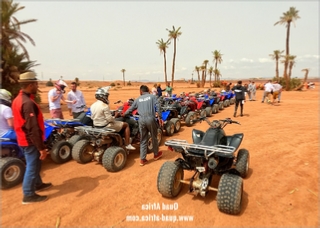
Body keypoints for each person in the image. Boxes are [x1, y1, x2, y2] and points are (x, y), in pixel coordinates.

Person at [12, 71, 52, 204]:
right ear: (30, 85)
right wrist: (41, 148)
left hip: (23, 138)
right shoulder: (27, 103)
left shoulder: (18, 99)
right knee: (32, 165)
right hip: (29, 141)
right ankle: (28, 194)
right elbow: (33, 127)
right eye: (35, 83)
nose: (37, 85)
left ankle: (37, 184)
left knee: (36, 163)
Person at [123, 85, 163, 166]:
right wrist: (159, 115)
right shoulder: (152, 97)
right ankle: (156, 154)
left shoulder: (137, 99)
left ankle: (142, 159)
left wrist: (124, 114)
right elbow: (158, 105)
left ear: (141, 91)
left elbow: (131, 109)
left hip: (141, 120)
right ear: (148, 90)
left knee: (143, 139)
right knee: (154, 137)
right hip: (150, 119)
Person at [90, 86, 135, 150]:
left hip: (96, 125)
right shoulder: (104, 106)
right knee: (126, 125)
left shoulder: (93, 105)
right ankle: (127, 144)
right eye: (106, 96)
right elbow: (110, 120)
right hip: (105, 125)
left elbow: (92, 117)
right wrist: (115, 116)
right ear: (102, 96)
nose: (107, 97)